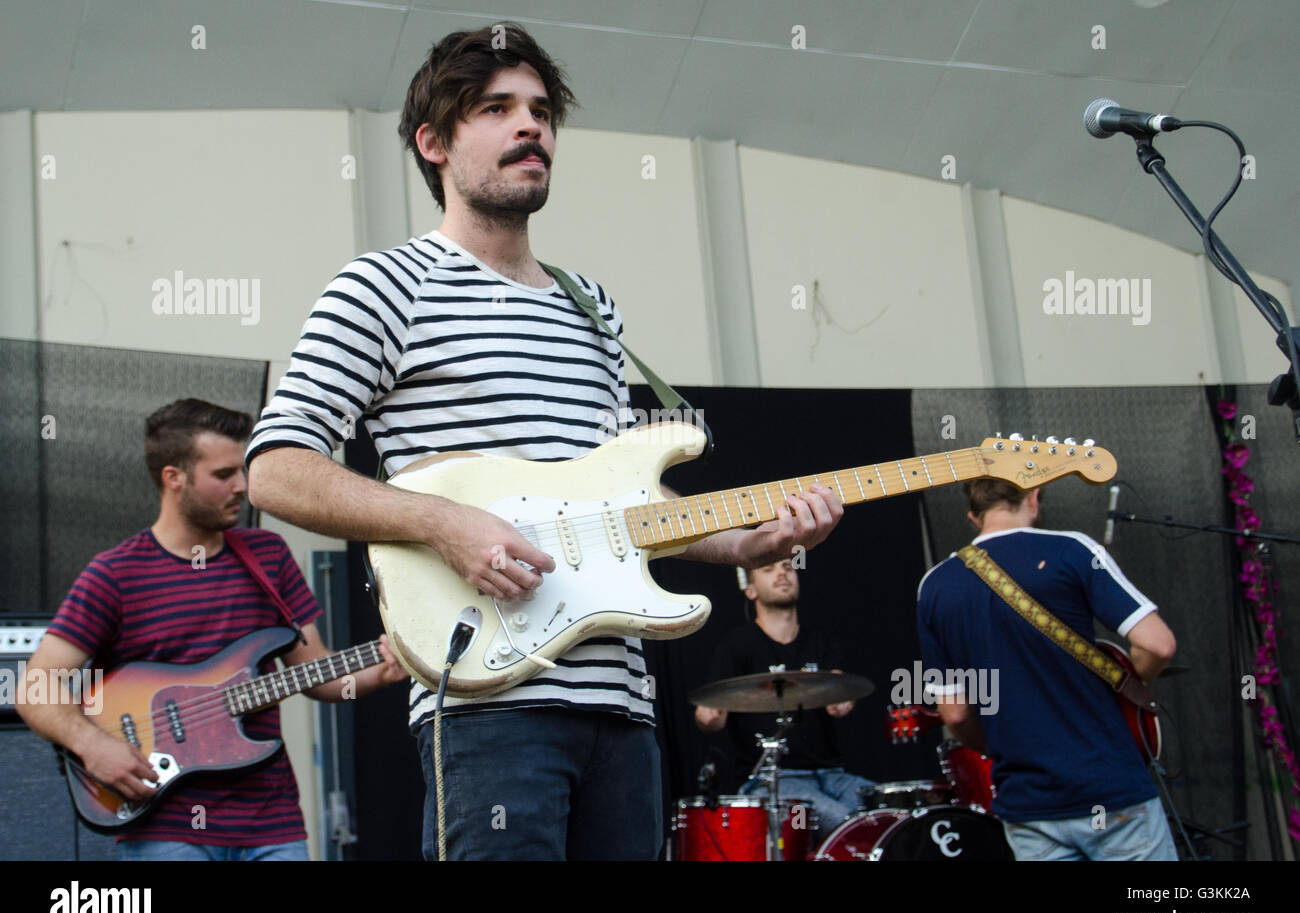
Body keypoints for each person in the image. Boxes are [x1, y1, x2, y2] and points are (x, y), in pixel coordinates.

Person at [244, 23, 843, 861]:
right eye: (497, 108)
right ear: (435, 143)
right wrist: (446, 525)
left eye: (540, 110)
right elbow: (275, 469)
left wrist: (748, 538)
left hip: (623, 714)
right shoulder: (382, 286)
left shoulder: (589, 303)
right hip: (489, 707)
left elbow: (625, 500)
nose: (532, 126)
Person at [18, 399, 406, 861]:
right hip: (165, 826)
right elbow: (35, 689)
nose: (243, 486)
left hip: (272, 821)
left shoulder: (268, 557)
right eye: (224, 475)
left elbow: (318, 673)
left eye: (242, 471)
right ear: (173, 478)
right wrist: (94, 745)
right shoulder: (114, 574)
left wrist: (377, 672)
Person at [915, 478, 1178, 861]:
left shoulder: (935, 585)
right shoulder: (1071, 549)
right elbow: (1158, 644)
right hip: (1108, 789)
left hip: (1027, 804)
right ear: (1033, 497)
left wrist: (1012, 748)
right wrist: (1128, 689)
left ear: (973, 516)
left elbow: (954, 713)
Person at [694, 559, 874, 840]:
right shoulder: (737, 647)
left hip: (832, 775)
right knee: (843, 822)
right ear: (750, 590)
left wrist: (843, 700)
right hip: (769, 782)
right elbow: (709, 718)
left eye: (788, 567)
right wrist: (709, 718)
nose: (781, 573)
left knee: (885, 812)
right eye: (768, 570)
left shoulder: (821, 642)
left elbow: (841, 687)